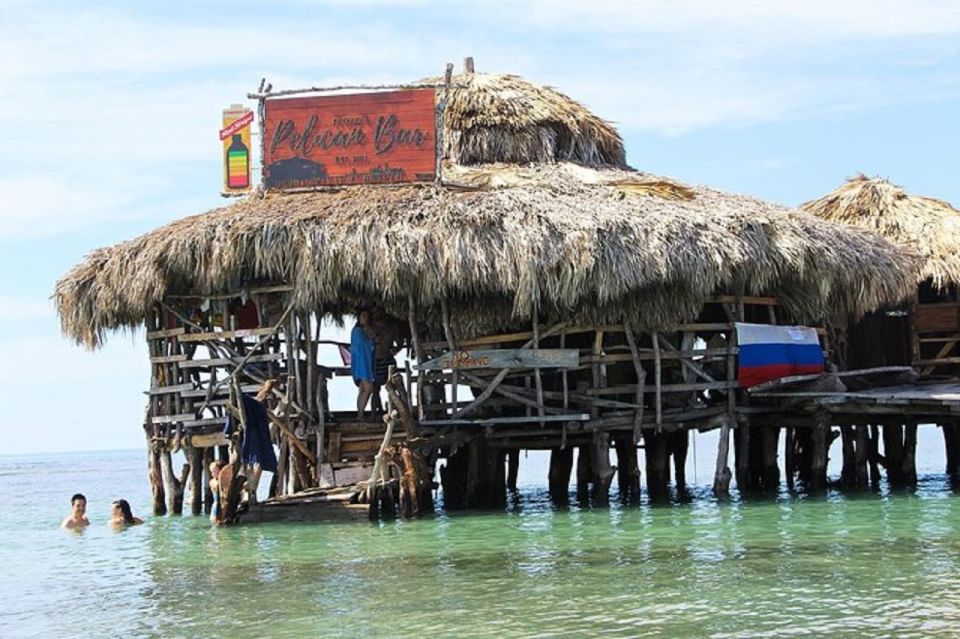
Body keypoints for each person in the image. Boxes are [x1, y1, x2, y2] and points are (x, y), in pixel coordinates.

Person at [350, 308, 376, 418]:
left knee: (363, 389)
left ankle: (360, 413)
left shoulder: (366, 330)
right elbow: (359, 349)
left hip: (367, 362)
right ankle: (360, 413)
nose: (365, 318)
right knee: (368, 388)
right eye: (363, 316)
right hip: (361, 363)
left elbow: (373, 339)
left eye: (367, 316)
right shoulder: (357, 331)